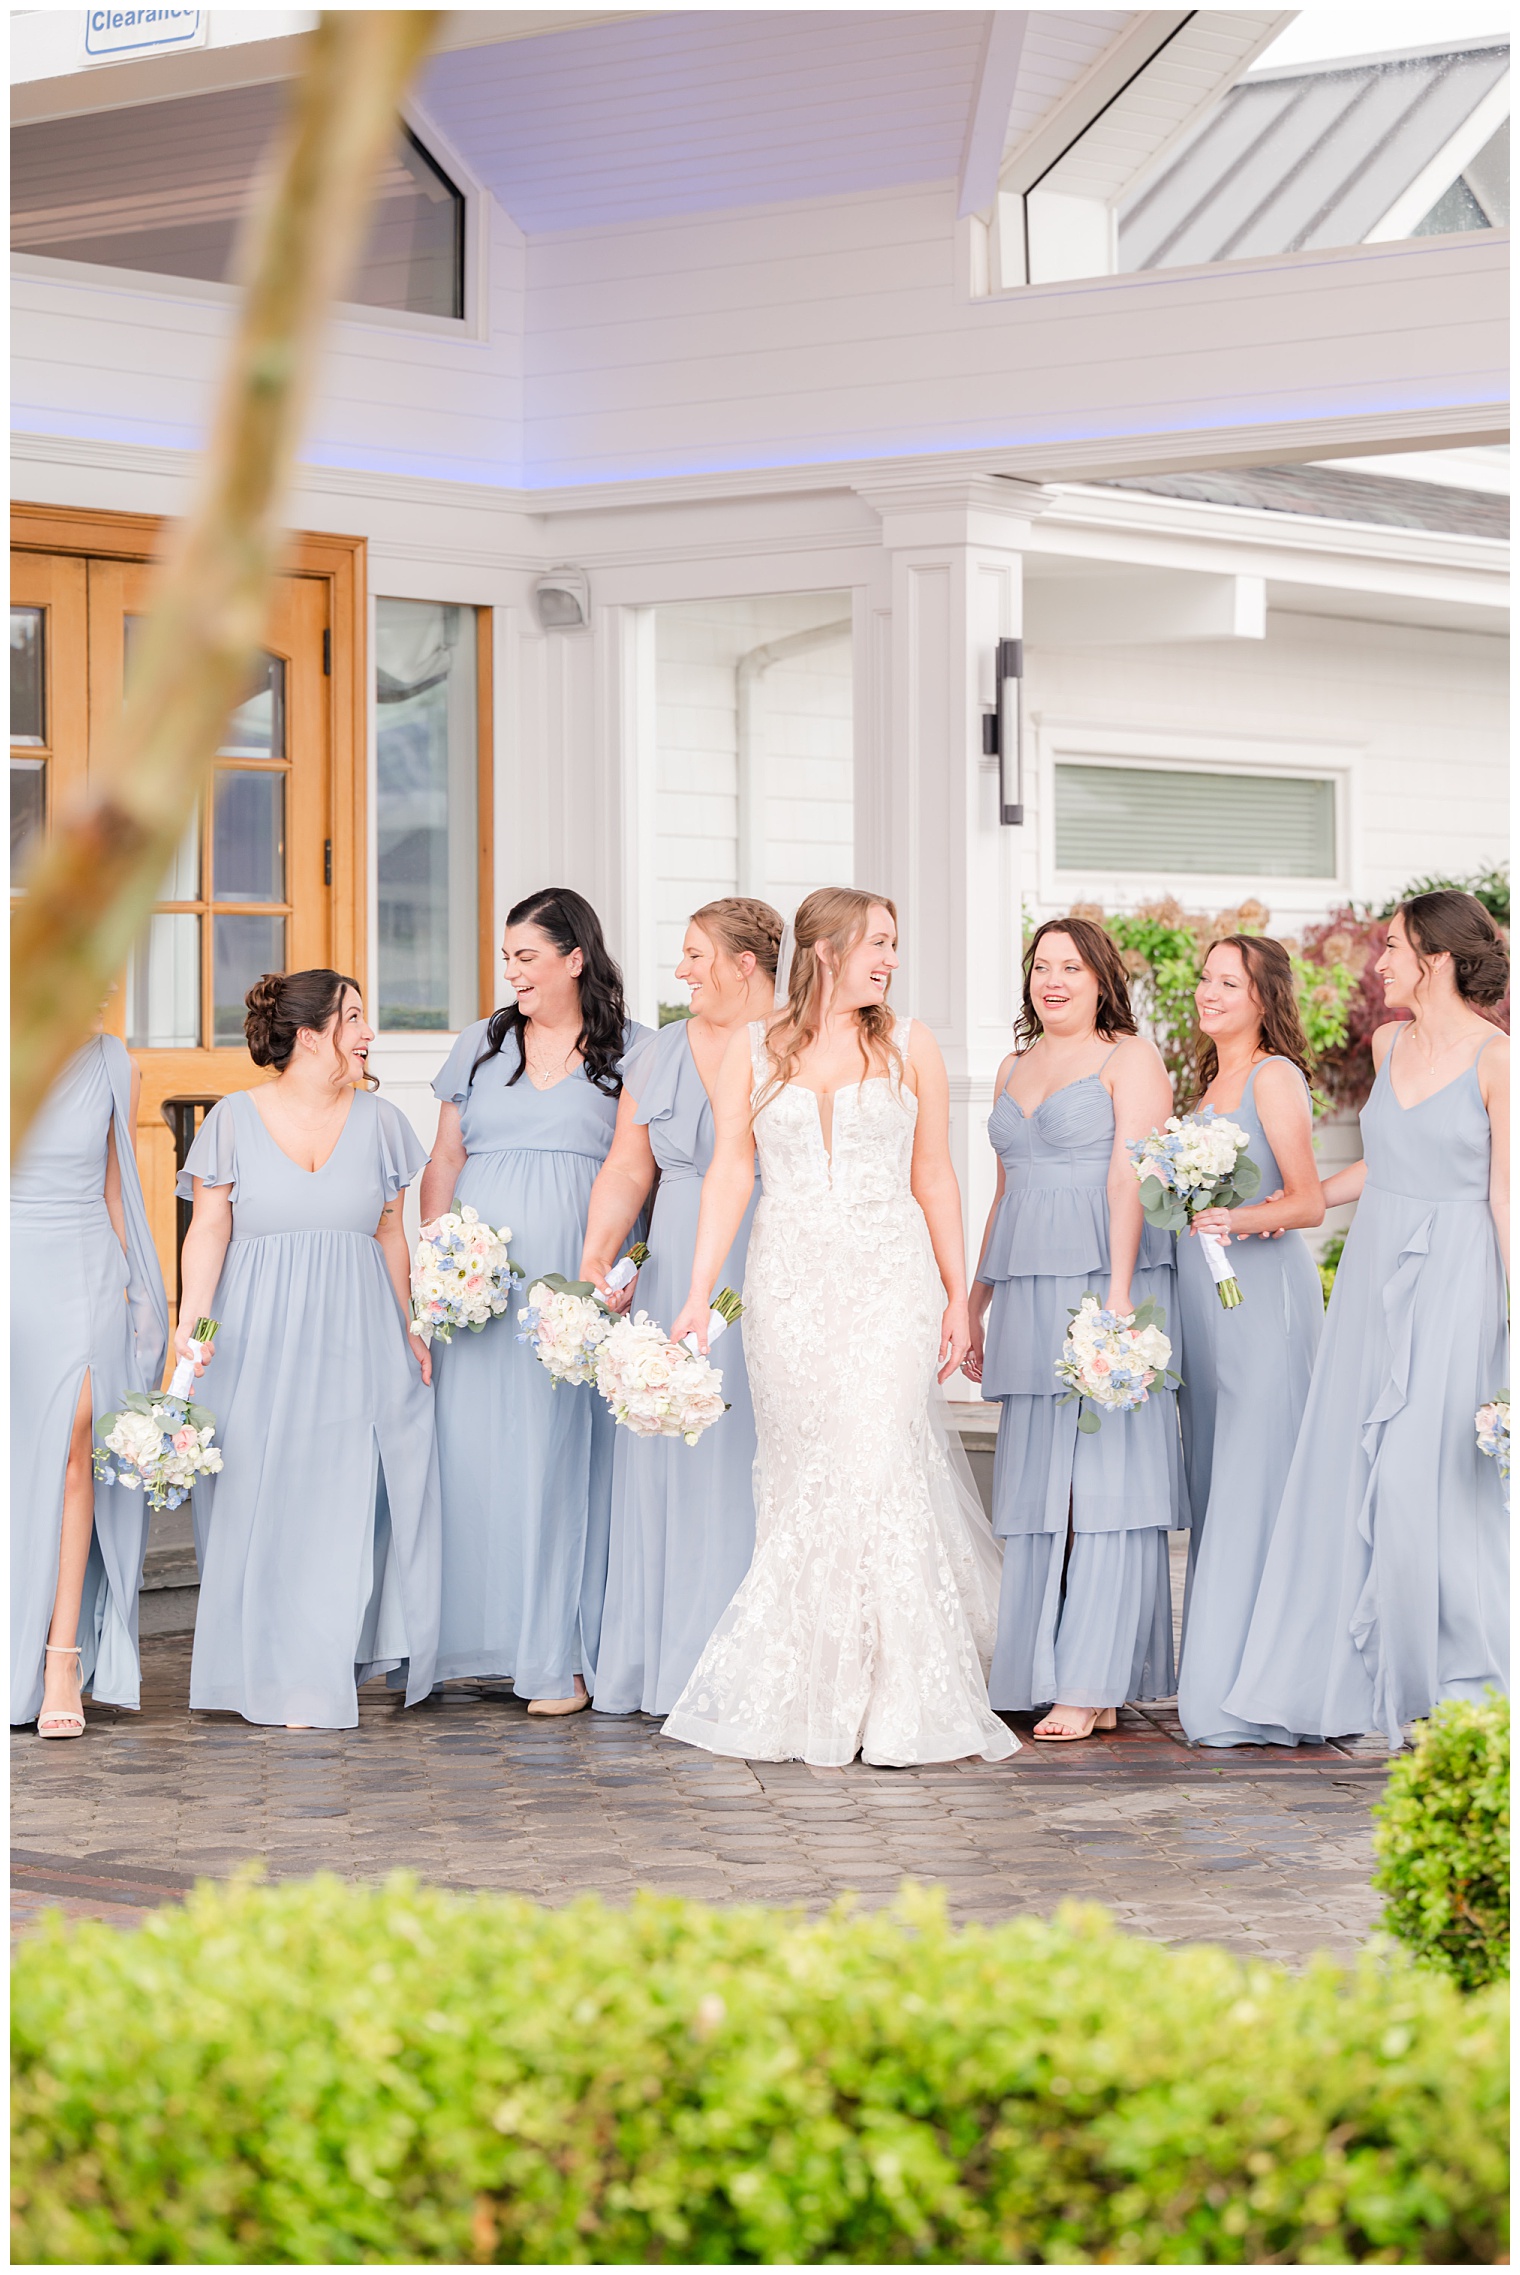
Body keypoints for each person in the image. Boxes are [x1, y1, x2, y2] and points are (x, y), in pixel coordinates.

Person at [663, 887, 1015, 1767]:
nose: (891, 958)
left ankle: (901, 1693)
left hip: (888, 1282)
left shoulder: (910, 1044)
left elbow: (934, 1173)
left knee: (875, 1458)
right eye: (879, 942)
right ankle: (815, 1680)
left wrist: (953, 1292)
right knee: (801, 1474)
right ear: (826, 948)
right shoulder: (750, 1050)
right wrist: (699, 1291)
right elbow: (730, 1178)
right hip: (786, 1286)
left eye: (895, 943)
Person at [1226, 892, 1509, 1748]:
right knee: (1355, 1466)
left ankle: (1461, 1682)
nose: (1377, 962)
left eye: (1391, 947)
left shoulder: (1500, 1060)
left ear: (1438, 957)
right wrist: (1281, 1207)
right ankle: (1367, 1672)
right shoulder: (1387, 1044)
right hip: (1374, 1277)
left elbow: (1506, 1198)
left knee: (1431, 1477)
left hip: (1459, 1279)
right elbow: (1379, 1169)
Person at [176, 972, 440, 1731]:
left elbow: (393, 1232)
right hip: (256, 1336)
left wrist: (412, 1322)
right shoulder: (232, 1119)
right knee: (260, 1498)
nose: (367, 1033)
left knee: (343, 1501)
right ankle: (258, 1664)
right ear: (308, 1035)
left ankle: (318, 1673)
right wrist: (194, 1331)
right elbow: (210, 1230)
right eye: (353, 1018)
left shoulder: (384, 1121)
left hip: (357, 1336)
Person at [421, 888, 651, 1714]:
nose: (512, 971)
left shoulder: (636, 1051)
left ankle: (562, 1655)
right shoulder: (481, 1045)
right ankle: (477, 1642)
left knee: (563, 1463)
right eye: (507, 957)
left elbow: (647, 1173)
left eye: (528, 956)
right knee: (476, 1457)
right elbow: (444, 1162)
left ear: (574, 958)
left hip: (574, 1289)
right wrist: (441, 1257)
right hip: (479, 1292)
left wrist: (627, 1273)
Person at [965, 917, 1182, 1741]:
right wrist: (976, 1301)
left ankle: (1091, 1680)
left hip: (1103, 1280)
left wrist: (1121, 1295)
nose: (1052, 980)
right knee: (1032, 1486)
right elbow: (1004, 1194)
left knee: (1106, 1489)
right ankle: (1034, 1668)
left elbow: (1135, 1179)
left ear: (1101, 979)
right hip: (1025, 1289)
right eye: (1041, 966)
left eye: (1071, 966)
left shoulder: (1130, 1058)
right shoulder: (1010, 1067)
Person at [580, 897, 781, 1717]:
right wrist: (602, 1247)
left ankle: (754, 1666)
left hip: (772, 1261)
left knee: (755, 1452)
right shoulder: (660, 1052)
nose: (680, 970)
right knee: (672, 1454)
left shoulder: (799, 1044)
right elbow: (631, 1166)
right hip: (673, 1280)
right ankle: (665, 1662)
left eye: (695, 954)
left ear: (745, 963)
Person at [1173, 935, 1325, 1746]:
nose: (1207, 992)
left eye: (1226, 982)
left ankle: (1257, 1691)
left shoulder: (1275, 1077)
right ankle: (1228, 1670)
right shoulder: (1207, 1084)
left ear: (1263, 996)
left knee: (1253, 1479)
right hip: (1206, 1307)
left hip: (1262, 1299)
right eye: (1204, 979)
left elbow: (1306, 1202)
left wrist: (1239, 1218)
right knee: (1215, 1478)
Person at [11, 1027, 168, 1735]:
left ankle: (62, 1658)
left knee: (81, 1443)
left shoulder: (113, 1062)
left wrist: (141, 1295)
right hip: (12, 1262)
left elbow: (117, 1189)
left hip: (85, 1265)